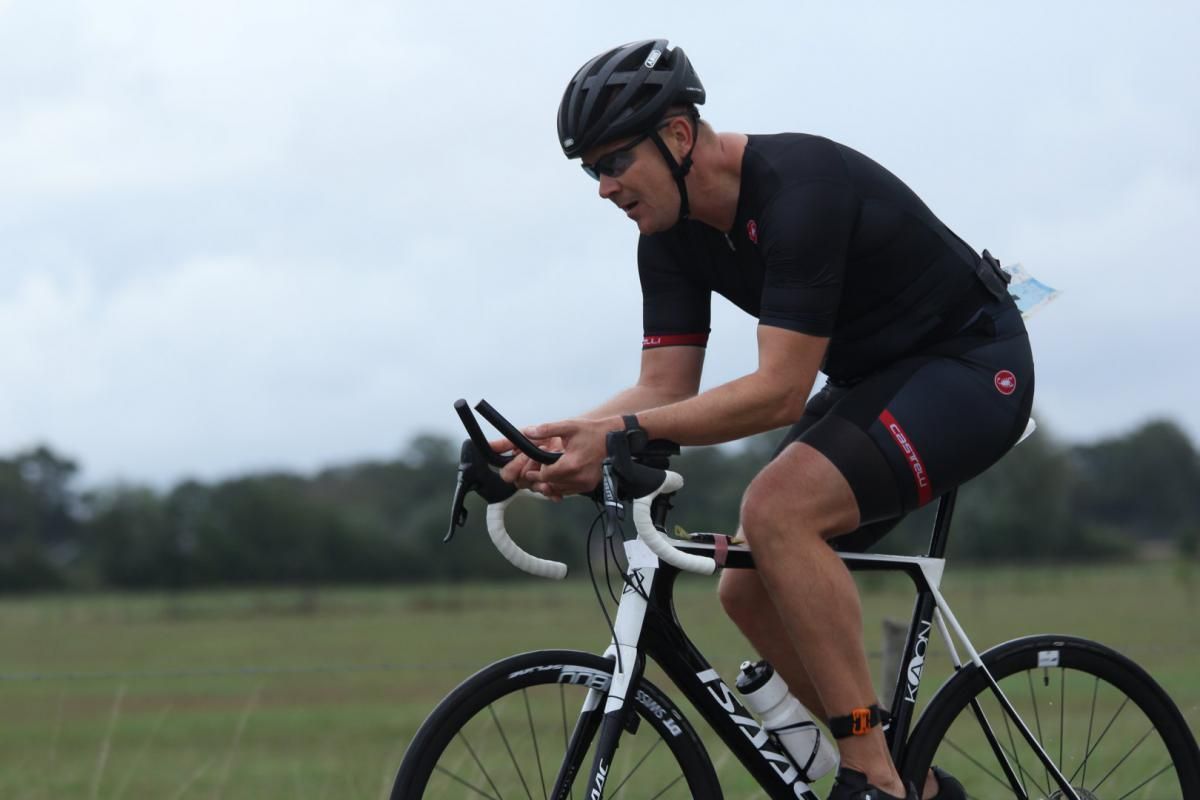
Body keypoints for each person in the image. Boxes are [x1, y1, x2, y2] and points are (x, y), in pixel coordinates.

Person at [499, 38, 1032, 800]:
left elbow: (780, 392)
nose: (603, 187)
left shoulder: (797, 189)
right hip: (877, 379)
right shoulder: (667, 236)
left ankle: (873, 776)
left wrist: (620, 436)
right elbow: (662, 386)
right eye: (590, 169)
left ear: (678, 136)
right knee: (746, 586)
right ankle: (916, 787)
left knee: (777, 510)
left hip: (973, 366)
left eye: (614, 161)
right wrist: (545, 442)